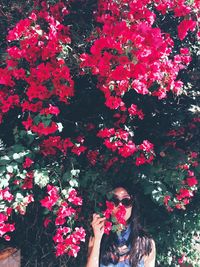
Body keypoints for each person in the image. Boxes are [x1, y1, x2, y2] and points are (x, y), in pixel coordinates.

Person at [86, 185, 156, 267]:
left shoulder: (146, 243)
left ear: (132, 205)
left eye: (126, 201)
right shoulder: (98, 237)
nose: (120, 205)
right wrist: (98, 238)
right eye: (115, 200)